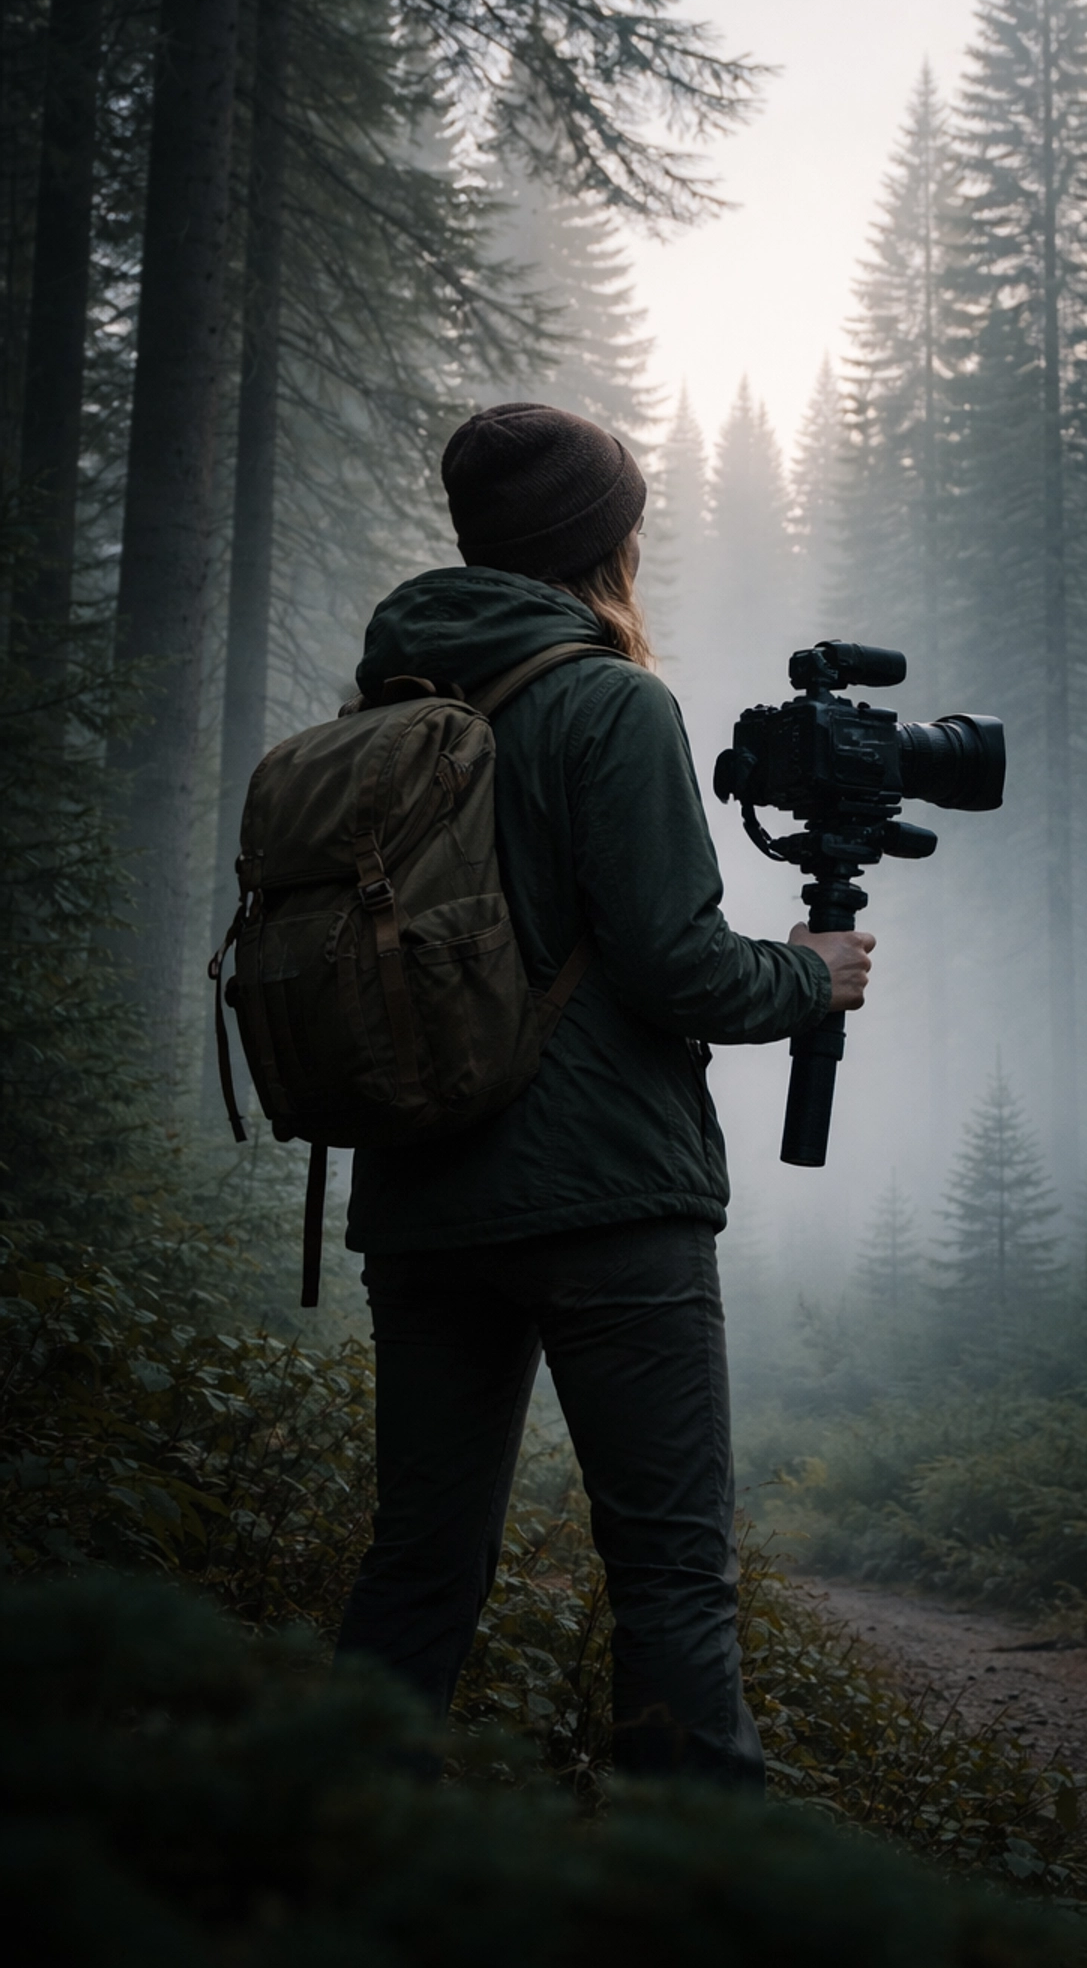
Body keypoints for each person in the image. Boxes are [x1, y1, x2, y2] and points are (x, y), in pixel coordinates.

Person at [334, 402, 875, 1789]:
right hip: (609, 1204)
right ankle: (681, 1920)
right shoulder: (609, 701)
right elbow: (677, 966)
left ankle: (304, 1887)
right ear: (605, 541)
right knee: (671, 1579)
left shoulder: (386, 705)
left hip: (422, 1198)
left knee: (416, 1573)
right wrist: (812, 976)